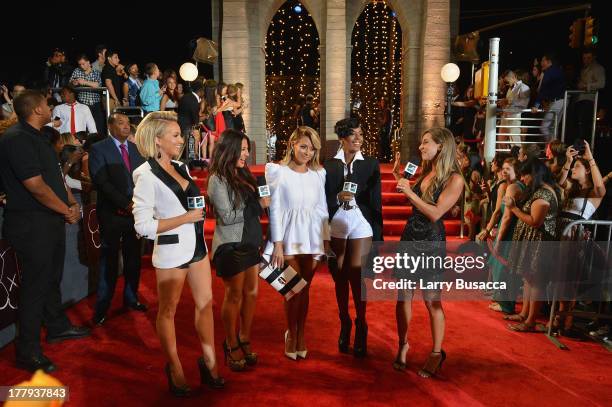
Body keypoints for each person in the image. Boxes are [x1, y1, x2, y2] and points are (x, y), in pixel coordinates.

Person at [132, 111, 223, 396]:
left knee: (206, 304)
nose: (181, 140)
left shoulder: (183, 167)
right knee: (167, 311)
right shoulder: (144, 176)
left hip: (197, 246)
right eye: (174, 135)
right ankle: (174, 367)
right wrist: (185, 218)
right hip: (171, 251)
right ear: (157, 140)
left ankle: (210, 364)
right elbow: (143, 227)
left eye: (180, 134)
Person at [0, 90, 90, 373]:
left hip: (49, 221)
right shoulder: (16, 139)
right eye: (47, 104)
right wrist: (65, 210)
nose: (51, 107)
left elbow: (56, 178)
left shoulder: (40, 137)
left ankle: (56, 326)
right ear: (37, 109)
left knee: (52, 278)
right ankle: (27, 351)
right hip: (30, 224)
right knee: (34, 287)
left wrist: (72, 203)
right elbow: (35, 186)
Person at [393, 127, 464, 377]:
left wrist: (410, 192)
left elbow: (435, 213)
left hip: (431, 241)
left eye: (425, 143)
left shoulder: (455, 179)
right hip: (410, 236)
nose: (421, 147)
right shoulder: (426, 172)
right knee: (403, 296)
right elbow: (417, 204)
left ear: (441, 146)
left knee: (432, 299)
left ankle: (436, 353)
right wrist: (402, 185)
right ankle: (403, 344)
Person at [265, 126, 330, 360]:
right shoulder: (277, 172)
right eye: (303, 146)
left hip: (312, 238)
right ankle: (291, 334)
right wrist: (278, 244)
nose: (307, 152)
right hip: (289, 236)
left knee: (305, 290)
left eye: (312, 149)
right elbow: (275, 209)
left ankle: (301, 333)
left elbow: (322, 209)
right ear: (292, 144)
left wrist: (326, 241)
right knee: (293, 289)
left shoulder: (318, 174)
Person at [207, 129, 269, 371]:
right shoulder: (217, 179)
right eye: (242, 149)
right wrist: (258, 205)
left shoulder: (244, 174)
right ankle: (230, 342)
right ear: (230, 149)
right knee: (234, 295)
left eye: (247, 149)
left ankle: (244, 337)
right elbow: (228, 216)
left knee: (252, 293)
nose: (246, 153)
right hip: (231, 245)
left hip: (251, 242)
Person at [324, 117, 383, 357]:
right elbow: (322, 201)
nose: (358, 139)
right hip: (336, 222)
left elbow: (375, 200)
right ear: (342, 138)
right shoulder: (328, 165)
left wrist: (378, 236)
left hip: (361, 223)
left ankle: (361, 323)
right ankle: (345, 321)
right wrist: (337, 198)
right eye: (353, 134)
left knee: (357, 274)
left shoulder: (370, 164)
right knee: (339, 274)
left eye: (360, 134)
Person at [88, 113, 147, 326]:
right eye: (120, 123)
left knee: (134, 259)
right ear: (110, 125)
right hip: (112, 215)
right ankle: (102, 308)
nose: (125, 126)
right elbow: (101, 182)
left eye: (127, 123)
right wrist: (126, 204)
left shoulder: (135, 149)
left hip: (135, 215)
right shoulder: (98, 149)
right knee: (109, 261)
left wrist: (140, 204)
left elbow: (143, 178)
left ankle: (131, 298)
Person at [553, 141, 605, 336]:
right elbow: (559, 182)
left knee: (570, 281)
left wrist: (590, 158)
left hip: (575, 241)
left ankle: (566, 322)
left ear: (587, 172)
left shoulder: (593, 194)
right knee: (560, 280)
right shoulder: (571, 189)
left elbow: (601, 188)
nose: (573, 168)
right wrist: (568, 161)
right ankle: (558, 318)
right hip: (561, 237)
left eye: (577, 166)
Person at [504, 158, 560, 332]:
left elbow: (535, 221)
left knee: (535, 281)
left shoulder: (544, 194)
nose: (523, 178)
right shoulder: (539, 191)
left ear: (534, 174)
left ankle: (531, 321)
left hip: (539, 243)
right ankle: (525, 315)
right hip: (531, 242)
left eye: (525, 175)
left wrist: (514, 209)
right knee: (528, 278)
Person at [487, 158, 524, 314]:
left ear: (516, 170)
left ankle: (506, 305)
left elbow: (507, 217)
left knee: (503, 266)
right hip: (508, 230)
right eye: (503, 168)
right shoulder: (512, 186)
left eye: (508, 168)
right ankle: (504, 302)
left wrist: (498, 240)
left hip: (509, 232)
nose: (504, 171)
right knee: (502, 266)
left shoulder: (513, 187)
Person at [532, 53, 565, 141]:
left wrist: (536, 105)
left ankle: (553, 148)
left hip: (557, 102)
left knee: (545, 127)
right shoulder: (558, 70)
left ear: (548, 62)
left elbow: (543, 90)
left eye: (543, 61)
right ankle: (553, 150)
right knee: (553, 128)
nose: (541, 63)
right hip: (560, 101)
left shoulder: (549, 72)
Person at [70, 54, 105, 135]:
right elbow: (70, 83)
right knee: (83, 127)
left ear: (88, 62)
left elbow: (98, 85)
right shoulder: (76, 71)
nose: (81, 66)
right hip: (82, 103)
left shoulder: (96, 72)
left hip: (95, 104)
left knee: (98, 126)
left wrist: (84, 82)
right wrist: (74, 83)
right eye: (80, 64)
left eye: (83, 63)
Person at [376, 97, 392, 162]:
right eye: (381, 102)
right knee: (383, 144)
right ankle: (383, 158)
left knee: (385, 144)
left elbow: (385, 121)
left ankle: (385, 158)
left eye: (383, 102)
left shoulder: (387, 111)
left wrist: (380, 120)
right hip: (384, 130)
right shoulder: (384, 111)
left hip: (385, 130)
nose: (382, 104)